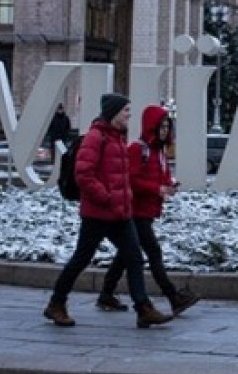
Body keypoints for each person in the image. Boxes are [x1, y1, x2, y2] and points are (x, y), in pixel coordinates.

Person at [43, 93, 172, 329]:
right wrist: (107, 197)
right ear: (113, 113)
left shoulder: (118, 138)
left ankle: (143, 308)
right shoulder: (96, 137)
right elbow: (83, 175)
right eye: (126, 111)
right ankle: (56, 303)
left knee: (134, 257)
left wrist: (123, 199)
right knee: (81, 259)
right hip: (98, 213)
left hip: (120, 214)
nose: (129, 115)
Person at [96, 105, 201, 317]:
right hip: (135, 212)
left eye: (167, 126)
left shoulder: (159, 152)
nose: (164, 130)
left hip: (147, 211)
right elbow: (131, 180)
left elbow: (157, 178)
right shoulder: (138, 149)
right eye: (161, 126)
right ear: (150, 126)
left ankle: (106, 294)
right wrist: (158, 188)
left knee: (126, 255)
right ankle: (173, 297)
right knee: (153, 252)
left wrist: (169, 185)